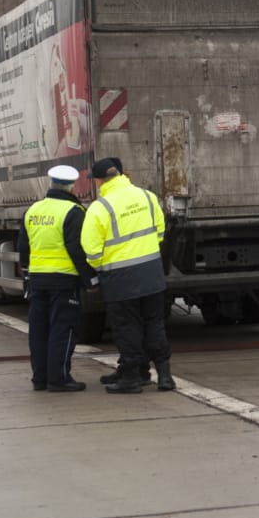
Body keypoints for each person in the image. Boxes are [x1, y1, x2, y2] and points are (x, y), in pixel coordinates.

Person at [80, 157, 173, 394]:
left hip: (120, 279)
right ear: (121, 174)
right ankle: (164, 376)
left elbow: (91, 250)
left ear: (100, 181)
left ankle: (131, 377)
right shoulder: (147, 196)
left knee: (127, 327)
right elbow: (161, 231)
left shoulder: (100, 207)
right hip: (152, 272)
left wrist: (103, 266)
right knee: (155, 324)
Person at [17, 164, 98, 393]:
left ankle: (40, 379)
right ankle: (59, 378)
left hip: (37, 280)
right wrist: (90, 279)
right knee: (62, 329)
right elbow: (77, 249)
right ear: (72, 186)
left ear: (51, 184)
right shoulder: (73, 212)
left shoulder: (33, 210)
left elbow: (23, 246)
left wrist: (27, 272)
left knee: (38, 330)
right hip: (63, 280)